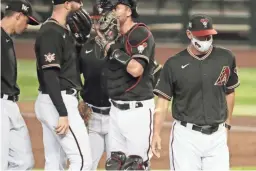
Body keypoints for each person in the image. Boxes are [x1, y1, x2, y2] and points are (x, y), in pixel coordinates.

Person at [151, 14, 240, 171]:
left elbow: (230, 92)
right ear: (189, 34)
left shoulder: (226, 58)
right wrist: (156, 133)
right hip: (186, 137)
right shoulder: (174, 64)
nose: (205, 40)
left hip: (217, 137)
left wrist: (227, 124)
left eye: (208, 36)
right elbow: (163, 102)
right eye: (201, 36)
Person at [95, 0, 156, 169]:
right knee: (114, 164)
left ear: (128, 11)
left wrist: (113, 50)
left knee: (135, 165)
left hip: (138, 111)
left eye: (116, 9)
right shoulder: (114, 37)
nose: (111, 14)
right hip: (115, 110)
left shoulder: (140, 33)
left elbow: (136, 69)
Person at [34, 0, 93, 170]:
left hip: (59, 99)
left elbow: (70, 71)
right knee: (82, 161)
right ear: (67, 4)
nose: (81, 5)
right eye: (77, 2)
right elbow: (50, 75)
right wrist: (62, 112)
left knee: (55, 163)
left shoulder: (63, 31)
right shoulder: (51, 32)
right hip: (58, 101)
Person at [0, 0, 40, 170]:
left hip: (10, 105)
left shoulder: (6, 38)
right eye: (27, 21)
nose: (27, 27)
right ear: (18, 16)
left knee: (24, 162)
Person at [77, 0, 114, 170]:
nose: (98, 23)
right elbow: (73, 77)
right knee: (85, 164)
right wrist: (80, 98)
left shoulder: (125, 46)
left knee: (119, 165)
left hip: (117, 117)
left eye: (102, 18)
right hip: (92, 117)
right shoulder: (85, 47)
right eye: (95, 19)